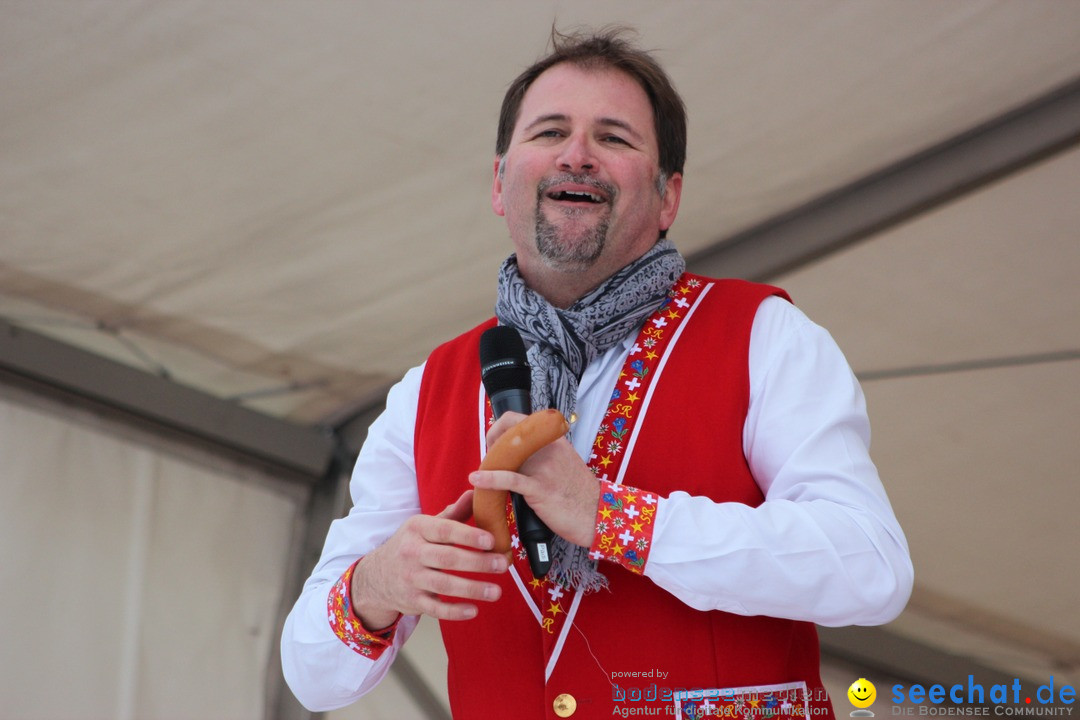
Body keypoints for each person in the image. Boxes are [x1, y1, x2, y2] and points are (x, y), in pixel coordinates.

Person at [281, 27, 913, 720]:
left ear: (668, 197)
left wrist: (613, 518)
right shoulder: (425, 393)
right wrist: (377, 585)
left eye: (614, 138)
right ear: (499, 183)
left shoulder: (762, 336)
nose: (577, 155)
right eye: (550, 131)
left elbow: (870, 567)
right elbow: (312, 675)